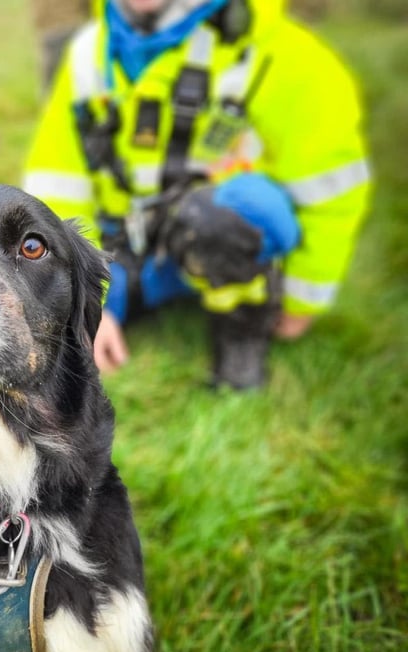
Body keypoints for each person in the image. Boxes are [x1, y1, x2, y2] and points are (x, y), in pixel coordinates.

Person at [23, 0, 371, 387]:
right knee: (65, 327)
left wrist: (304, 301)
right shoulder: (89, 51)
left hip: (226, 230)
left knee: (230, 213)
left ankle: (241, 328)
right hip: (129, 243)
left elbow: (332, 192)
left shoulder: (289, 57)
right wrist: (88, 307)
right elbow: (56, 185)